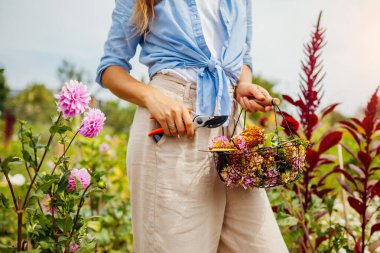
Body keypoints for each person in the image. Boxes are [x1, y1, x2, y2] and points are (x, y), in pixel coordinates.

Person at [96, 0, 289, 252]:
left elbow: (244, 57)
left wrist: (242, 86)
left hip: (231, 136)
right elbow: (110, 68)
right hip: (174, 129)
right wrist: (153, 97)